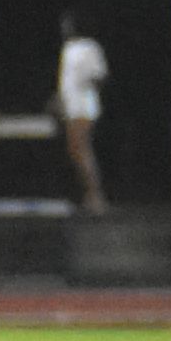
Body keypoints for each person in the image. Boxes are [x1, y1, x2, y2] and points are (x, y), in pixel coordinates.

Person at [56, 11, 110, 206]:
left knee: (81, 148)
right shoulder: (68, 48)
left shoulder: (90, 47)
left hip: (84, 106)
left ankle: (95, 194)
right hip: (71, 106)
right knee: (75, 149)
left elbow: (99, 75)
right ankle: (89, 193)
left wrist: (86, 84)